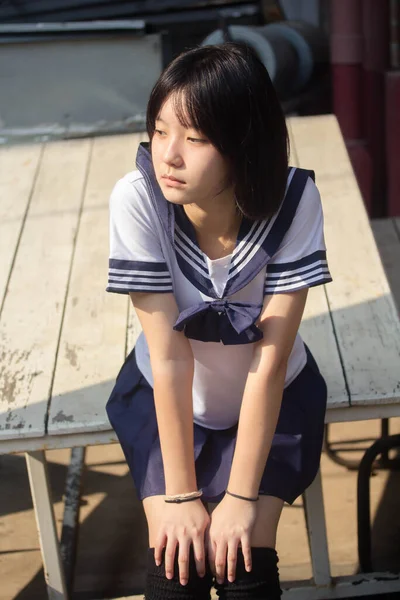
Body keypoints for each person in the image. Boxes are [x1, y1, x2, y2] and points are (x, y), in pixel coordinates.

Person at [105, 41, 332, 600]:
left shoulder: (295, 199)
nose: (168, 156)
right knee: (176, 565)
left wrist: (240, 498)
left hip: (273, 401)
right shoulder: (138, 198)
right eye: (159, 131)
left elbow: (271, 356)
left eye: (196, 138)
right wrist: (181, 498)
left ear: (243, 146)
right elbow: (169, 355)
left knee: (243, 561)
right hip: (166, 398)